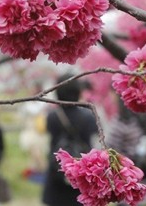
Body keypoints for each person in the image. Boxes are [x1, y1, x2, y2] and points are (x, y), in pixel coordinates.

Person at [42, 73, 98, 206]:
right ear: (78, 91)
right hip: (82, 175)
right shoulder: (88, 117)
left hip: (57, 173)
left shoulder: (52, 116)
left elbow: (51, 139)